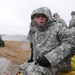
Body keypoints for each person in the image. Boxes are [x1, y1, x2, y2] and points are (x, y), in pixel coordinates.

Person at [17, 7, 75, 75]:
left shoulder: (58, 27)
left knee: (32, 70)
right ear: (35, 18)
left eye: (43, 16)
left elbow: (70, 43)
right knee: (22, 67)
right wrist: (32, 58)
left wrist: (50, 58)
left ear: (48, 17)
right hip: (42, 62)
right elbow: (34, 45)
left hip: (59, 63)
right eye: (38, 16)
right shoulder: (35, 31)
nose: (40, 18)